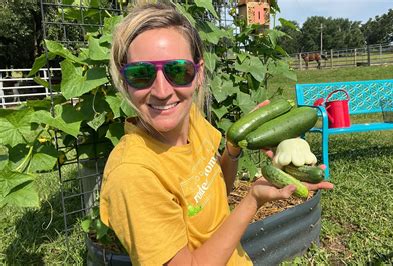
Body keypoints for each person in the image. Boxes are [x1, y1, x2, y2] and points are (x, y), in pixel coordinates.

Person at [100, 2, 333, 265]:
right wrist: (252, 201)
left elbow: (216, 190)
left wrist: (233, 150)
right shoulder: (133, 174)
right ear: (124, 80)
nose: (162, 91)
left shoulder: (190, 121)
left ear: (198, 74)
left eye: (178, 71)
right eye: (141, 74)